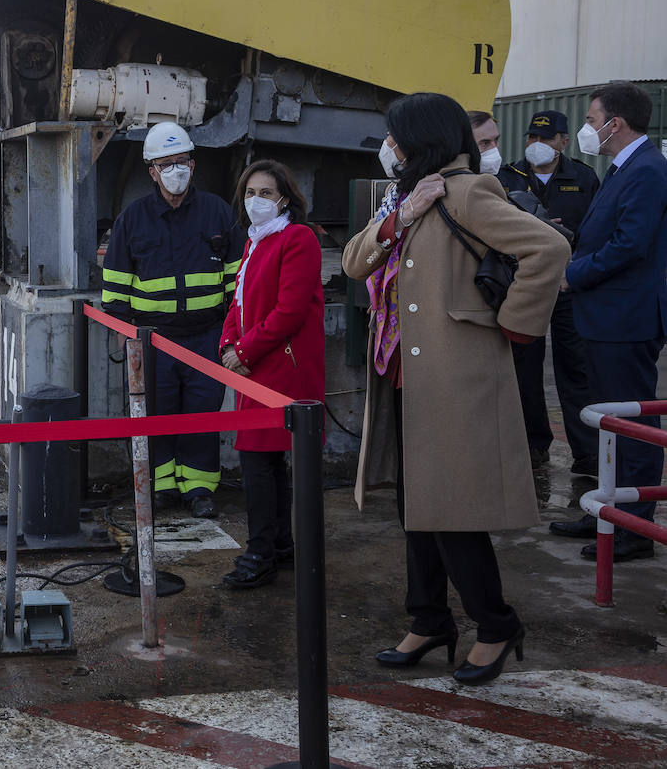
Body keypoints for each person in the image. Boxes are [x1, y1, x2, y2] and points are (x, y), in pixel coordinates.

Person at [343, 92, 567, 685]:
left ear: (422, 138)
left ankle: (496, 625)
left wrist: (514, 323)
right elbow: (354, 263)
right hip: (407, 373)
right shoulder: (408, 194)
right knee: (415, 505)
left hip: (457, 376)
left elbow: (548, 247)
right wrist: (403, 216)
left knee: (453, 513)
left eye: (398, 136)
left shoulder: (468, 191)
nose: (391, 146)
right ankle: (429, 620)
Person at [102, 121, 244, 518]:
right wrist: (127, 340)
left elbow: (238, 282)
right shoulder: (132, 219)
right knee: (156, 414)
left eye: (181, 161)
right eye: (166, 164)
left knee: (202, 414)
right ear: (152, 171)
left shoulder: (218, 212)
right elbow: (115, 290)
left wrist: (233, 335)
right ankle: (162, 488)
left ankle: (198, 490)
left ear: (193, 165)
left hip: (207, 337)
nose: (175, 170)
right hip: (153, 341)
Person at [551, 82, 667, 562]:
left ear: (614, 124)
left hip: (626, 318)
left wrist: (573, 274)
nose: (587, 129)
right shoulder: (624, 167)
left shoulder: (647, 170)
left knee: (630, 424)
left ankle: (634, 528)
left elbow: (630, 244)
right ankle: (607, 510)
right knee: (608, 421)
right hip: (606, 315)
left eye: (591, 120)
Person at [218, 160, 324, 588]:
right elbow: (238, 302)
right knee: (266, 460)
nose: (256, 200)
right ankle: (279, 546)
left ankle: (260, 552)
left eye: (265, 193)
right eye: (250, 193)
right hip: (254, 366)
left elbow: (290, 311)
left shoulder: (297, 238)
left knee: (258, 461)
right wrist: (229, 345)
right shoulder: (255, 241)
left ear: (285, 198)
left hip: (281, 367)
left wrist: (243, 351)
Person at [493, 110, 600, 472]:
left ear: (563, 142)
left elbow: (595, 232)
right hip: (525, 285)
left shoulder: (583, 177)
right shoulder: (507, 176)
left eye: (546, 138)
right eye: (532, 137)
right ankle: (532, 445)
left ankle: (587, 453)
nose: (536, 144)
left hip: (569, 285)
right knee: (524, 368)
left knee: (576, 368)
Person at [469, 110, 504, 174]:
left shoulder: (506, 177)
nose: (494, 148)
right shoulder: (451, 179)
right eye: (485, 143)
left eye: (496, 140)